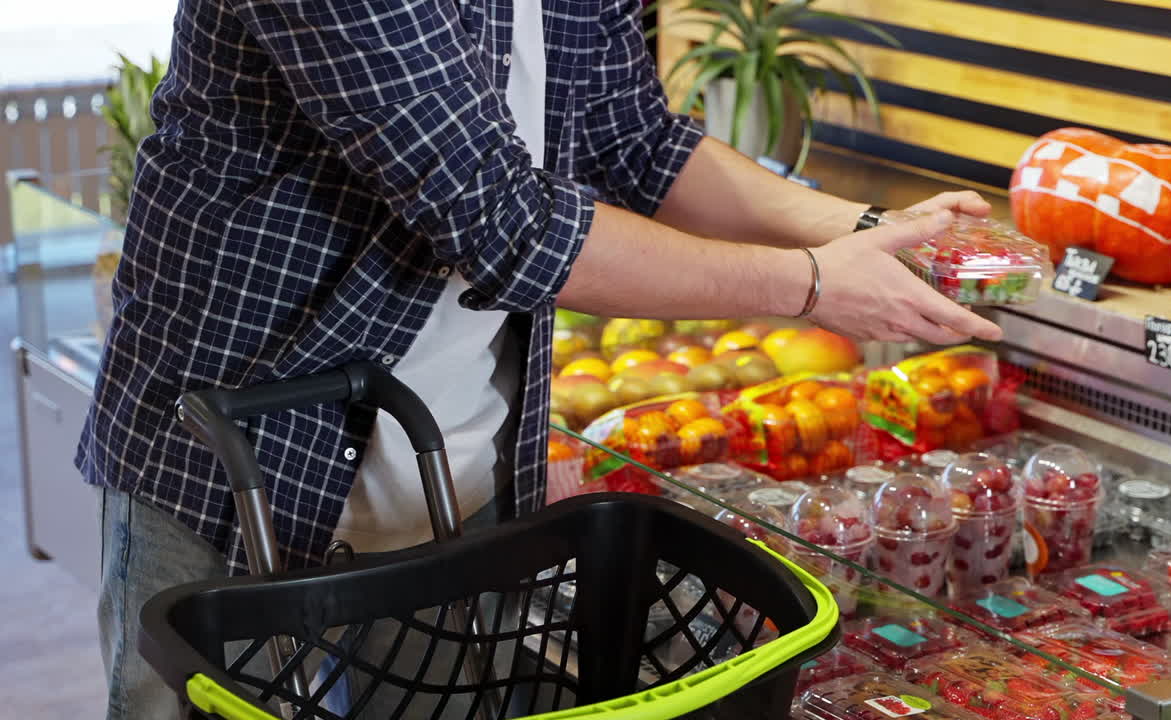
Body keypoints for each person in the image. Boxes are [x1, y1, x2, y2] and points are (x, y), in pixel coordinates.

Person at [81, 0, 1003, 717]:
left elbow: (632, 139)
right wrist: (808, 284)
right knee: (185, 704)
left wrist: (867, 231)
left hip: (452, 442)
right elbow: (501, 221)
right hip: (236, 425)